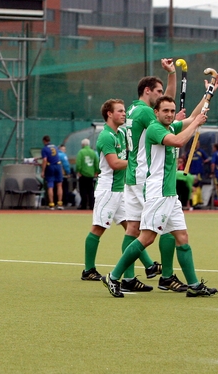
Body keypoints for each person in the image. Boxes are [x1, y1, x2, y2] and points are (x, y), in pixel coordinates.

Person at [102, 96, 218, 298]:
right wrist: (197, 123)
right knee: (146, 238)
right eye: (165, 110)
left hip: (170, 194)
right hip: (158, 193)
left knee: (182, 237)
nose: (170, 114)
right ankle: (113, 276)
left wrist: (207, 96)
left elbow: (191, 117)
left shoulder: (170, 126)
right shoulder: (156, 129)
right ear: (156, 112)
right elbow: (180, 141)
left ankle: (193, 285)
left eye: (172, 111)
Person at [81, 99, 155, 292]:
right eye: (120, 111)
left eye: (124, 111)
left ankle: (148, 267)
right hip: (108, 189)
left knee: (132, 228)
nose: (124, 114)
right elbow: (114, 163)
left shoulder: (121, 133)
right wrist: (136, 164)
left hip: (121, 189)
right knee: (98, 228)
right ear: (109, 114)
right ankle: (88, 269)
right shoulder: (106, 136)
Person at [122, 59, 183, 291]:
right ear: (147, 91)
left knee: (133, 228)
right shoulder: (147, 112)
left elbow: (164, 104)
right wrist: (174, 120)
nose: (162, 96)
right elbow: (162, 113)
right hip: (144, 174)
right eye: (157, 92)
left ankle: (128, 278)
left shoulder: (133, 109)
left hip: (133, 174)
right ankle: (166, 276)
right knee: (163, 225)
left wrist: (171, 75)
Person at [75, 139, 99, 210]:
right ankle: (92, 205)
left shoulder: (81, 152)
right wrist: (96, 171)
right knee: (91, 191)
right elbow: (96, 162)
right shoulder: (93, 152)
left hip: (83, 174)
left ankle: (84, 205)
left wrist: (78, 171)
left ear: (82, 145)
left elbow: (78, 163)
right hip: (91, 174)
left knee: (83, 190)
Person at [41, 135, 63, 210]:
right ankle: (60, 203)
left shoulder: (44, 149)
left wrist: (43, 171)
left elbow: (45, 159)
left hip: (50, 166)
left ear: (44, 141)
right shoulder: (55, 147)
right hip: (58, 165)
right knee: (59, 185)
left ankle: (51, 204)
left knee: (50, 185)